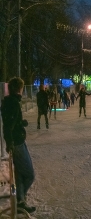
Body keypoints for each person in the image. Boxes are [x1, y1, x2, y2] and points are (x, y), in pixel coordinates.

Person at [1, 77, 36, 213]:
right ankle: (20, 199)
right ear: (18, 89)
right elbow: (8, 126)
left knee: (20, 174)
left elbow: (12, 122)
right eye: (21, 88)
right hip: (17, 144)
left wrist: (21, 123)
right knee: (29, 174)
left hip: (18, 141)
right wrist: (10, 143)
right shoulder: (13, 103)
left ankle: (21, 201)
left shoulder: (11, 102)